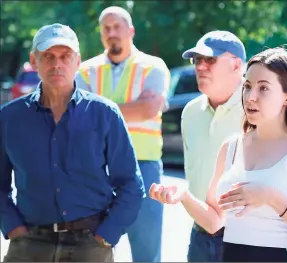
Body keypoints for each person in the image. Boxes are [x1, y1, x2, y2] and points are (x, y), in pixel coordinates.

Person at [150, 47, 287, 262]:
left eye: (263, 88)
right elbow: (214, 221)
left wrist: (271, 197)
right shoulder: (231, 147)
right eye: (247, 87)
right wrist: (184, 195)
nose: (250, 97)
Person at [0, 23, 146, 262]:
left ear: (78, 61)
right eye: (48, 56)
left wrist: (106, 236)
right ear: (34, 61)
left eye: (65, 56)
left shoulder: (105, 113)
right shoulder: (9, 118)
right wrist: (12, 227)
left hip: (90, 245)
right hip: (29, 244)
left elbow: (131, 184)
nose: (57, 64)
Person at [74, 6, 170, 262]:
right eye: (106, 28)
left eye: (117, 26)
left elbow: (148, 110)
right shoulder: (85, 70)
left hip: (145, 168)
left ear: (131, 31)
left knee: (147, 254)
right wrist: (132, 107)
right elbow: (78, 116)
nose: (111, 32)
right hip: (98, 169)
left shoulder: (153, 67)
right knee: (92, 250)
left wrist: (98, 107)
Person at [173, 30, 247, 262]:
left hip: (247, 238)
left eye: (210, 59)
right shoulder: (191, 112)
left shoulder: (257, 107)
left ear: (236, 65)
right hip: (201, 235)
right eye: (197, 60)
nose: (200, 66)